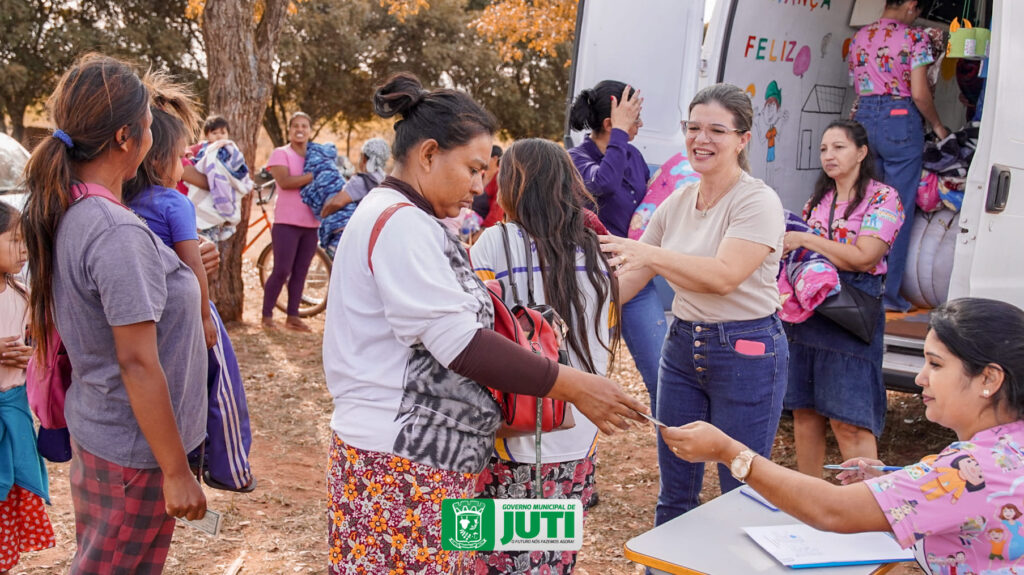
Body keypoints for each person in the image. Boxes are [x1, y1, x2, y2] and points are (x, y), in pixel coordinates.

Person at [321, 72, 647, 574]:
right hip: (402, 462)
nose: (480, 187)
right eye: (473, 169)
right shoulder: (404, 223)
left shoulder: (402, 216)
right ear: (429, 154)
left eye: (488, 173)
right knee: (537, 553)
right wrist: (572, 385)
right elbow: (460, 343)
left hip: (417, 454)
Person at [662, 297, 1024, 575]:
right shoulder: (1006, 449)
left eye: (936, 364)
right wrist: (894, 481)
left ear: (989, 379)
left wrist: (730, 452)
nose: (920, 378)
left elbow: (832, 511)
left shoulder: (966, 469)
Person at [21, 53, 206, 573]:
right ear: (127, 137)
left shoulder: (80, 209)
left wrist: (176, 270)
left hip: (112, 436)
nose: (154, 132)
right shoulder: (114, 231)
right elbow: (137, 362)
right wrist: (175, 471)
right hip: (136, 452)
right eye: (149, 122)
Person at [599, 83, 787, 525]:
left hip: (746, 349)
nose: (701, 139)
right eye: (694, 127)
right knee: (674, 494)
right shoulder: (678, 200)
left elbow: (723, 277)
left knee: (740, 492)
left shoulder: (758, 201)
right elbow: (631, 277)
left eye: (717, 130)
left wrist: (648, 254)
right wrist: (574, 308)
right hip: (682, 346)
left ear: (743, 139)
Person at [469, 139, 619, 574]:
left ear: (514, 185)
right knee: (551, 556)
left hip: (510, 433)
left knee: (484, 555)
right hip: (577, 429)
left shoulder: (496, 243)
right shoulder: (597, 247)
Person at [122, 75, 255, 493]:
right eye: (181, 157)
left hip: (148, 317)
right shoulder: (174, 202)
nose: (184, 167)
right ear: (159, 159)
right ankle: (229, 467)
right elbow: (193, 264)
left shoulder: (124, 203)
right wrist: (205, 317)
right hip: (191, 311)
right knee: (221, 383)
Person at [781, 120, 905, 477]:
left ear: (861, 152)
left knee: (849, 420)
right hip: (810, 313)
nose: (829, 156)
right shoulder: (817, 200)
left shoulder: (884, 197)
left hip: (852, 313)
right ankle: (811, 503)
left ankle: (869, 509)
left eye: (838, 147)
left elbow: (865, 256)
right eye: (823, 149)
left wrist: (805, 240)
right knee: (805, 413)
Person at [568, 80, 667, 415]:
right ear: (610, 124)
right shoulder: (574, 159)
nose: (639, 126)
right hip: (593, 285)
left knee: (662, 377)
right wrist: (621, 135)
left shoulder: (634, 156)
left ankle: (676, 449)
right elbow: (600, 186)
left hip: (636, 282)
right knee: (583, 375)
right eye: (633, 119)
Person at [849, 0, 949, 311]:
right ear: (909, 4)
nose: (916, 15)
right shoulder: (914, 38)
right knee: (897, 210)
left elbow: (858, 84)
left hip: (864, 117)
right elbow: (919, 92)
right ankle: (889, 295)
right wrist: (937, 125)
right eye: (917, 9)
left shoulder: (860, 38)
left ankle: (860, 291)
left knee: (867, 205)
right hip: (899, 118)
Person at [0, 203, 55, 573]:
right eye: (15, 240)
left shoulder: (22, 294)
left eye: (25, 242)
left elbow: (36, 346)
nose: (24, 250)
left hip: (14, 415)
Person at [262, 111, 319, 332]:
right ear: (289, 129)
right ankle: (267, 315)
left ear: (309, 130)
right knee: (282, 270)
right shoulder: (280, 153)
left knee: (301, 271)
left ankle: (292, 316)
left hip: (311, 223)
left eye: (304, 126)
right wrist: (314, 176)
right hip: (286, 223)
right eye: (296, 125)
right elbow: (285, 182)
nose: (300, 129)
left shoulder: (314, 156)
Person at [318, 137, 390, 258]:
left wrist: (324, 213)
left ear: (365, 159)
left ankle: (334, 247)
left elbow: (337, 203)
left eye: (361, 156)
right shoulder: (385, 179)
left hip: (357, 233)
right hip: (377, 233)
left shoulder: (361, 181)